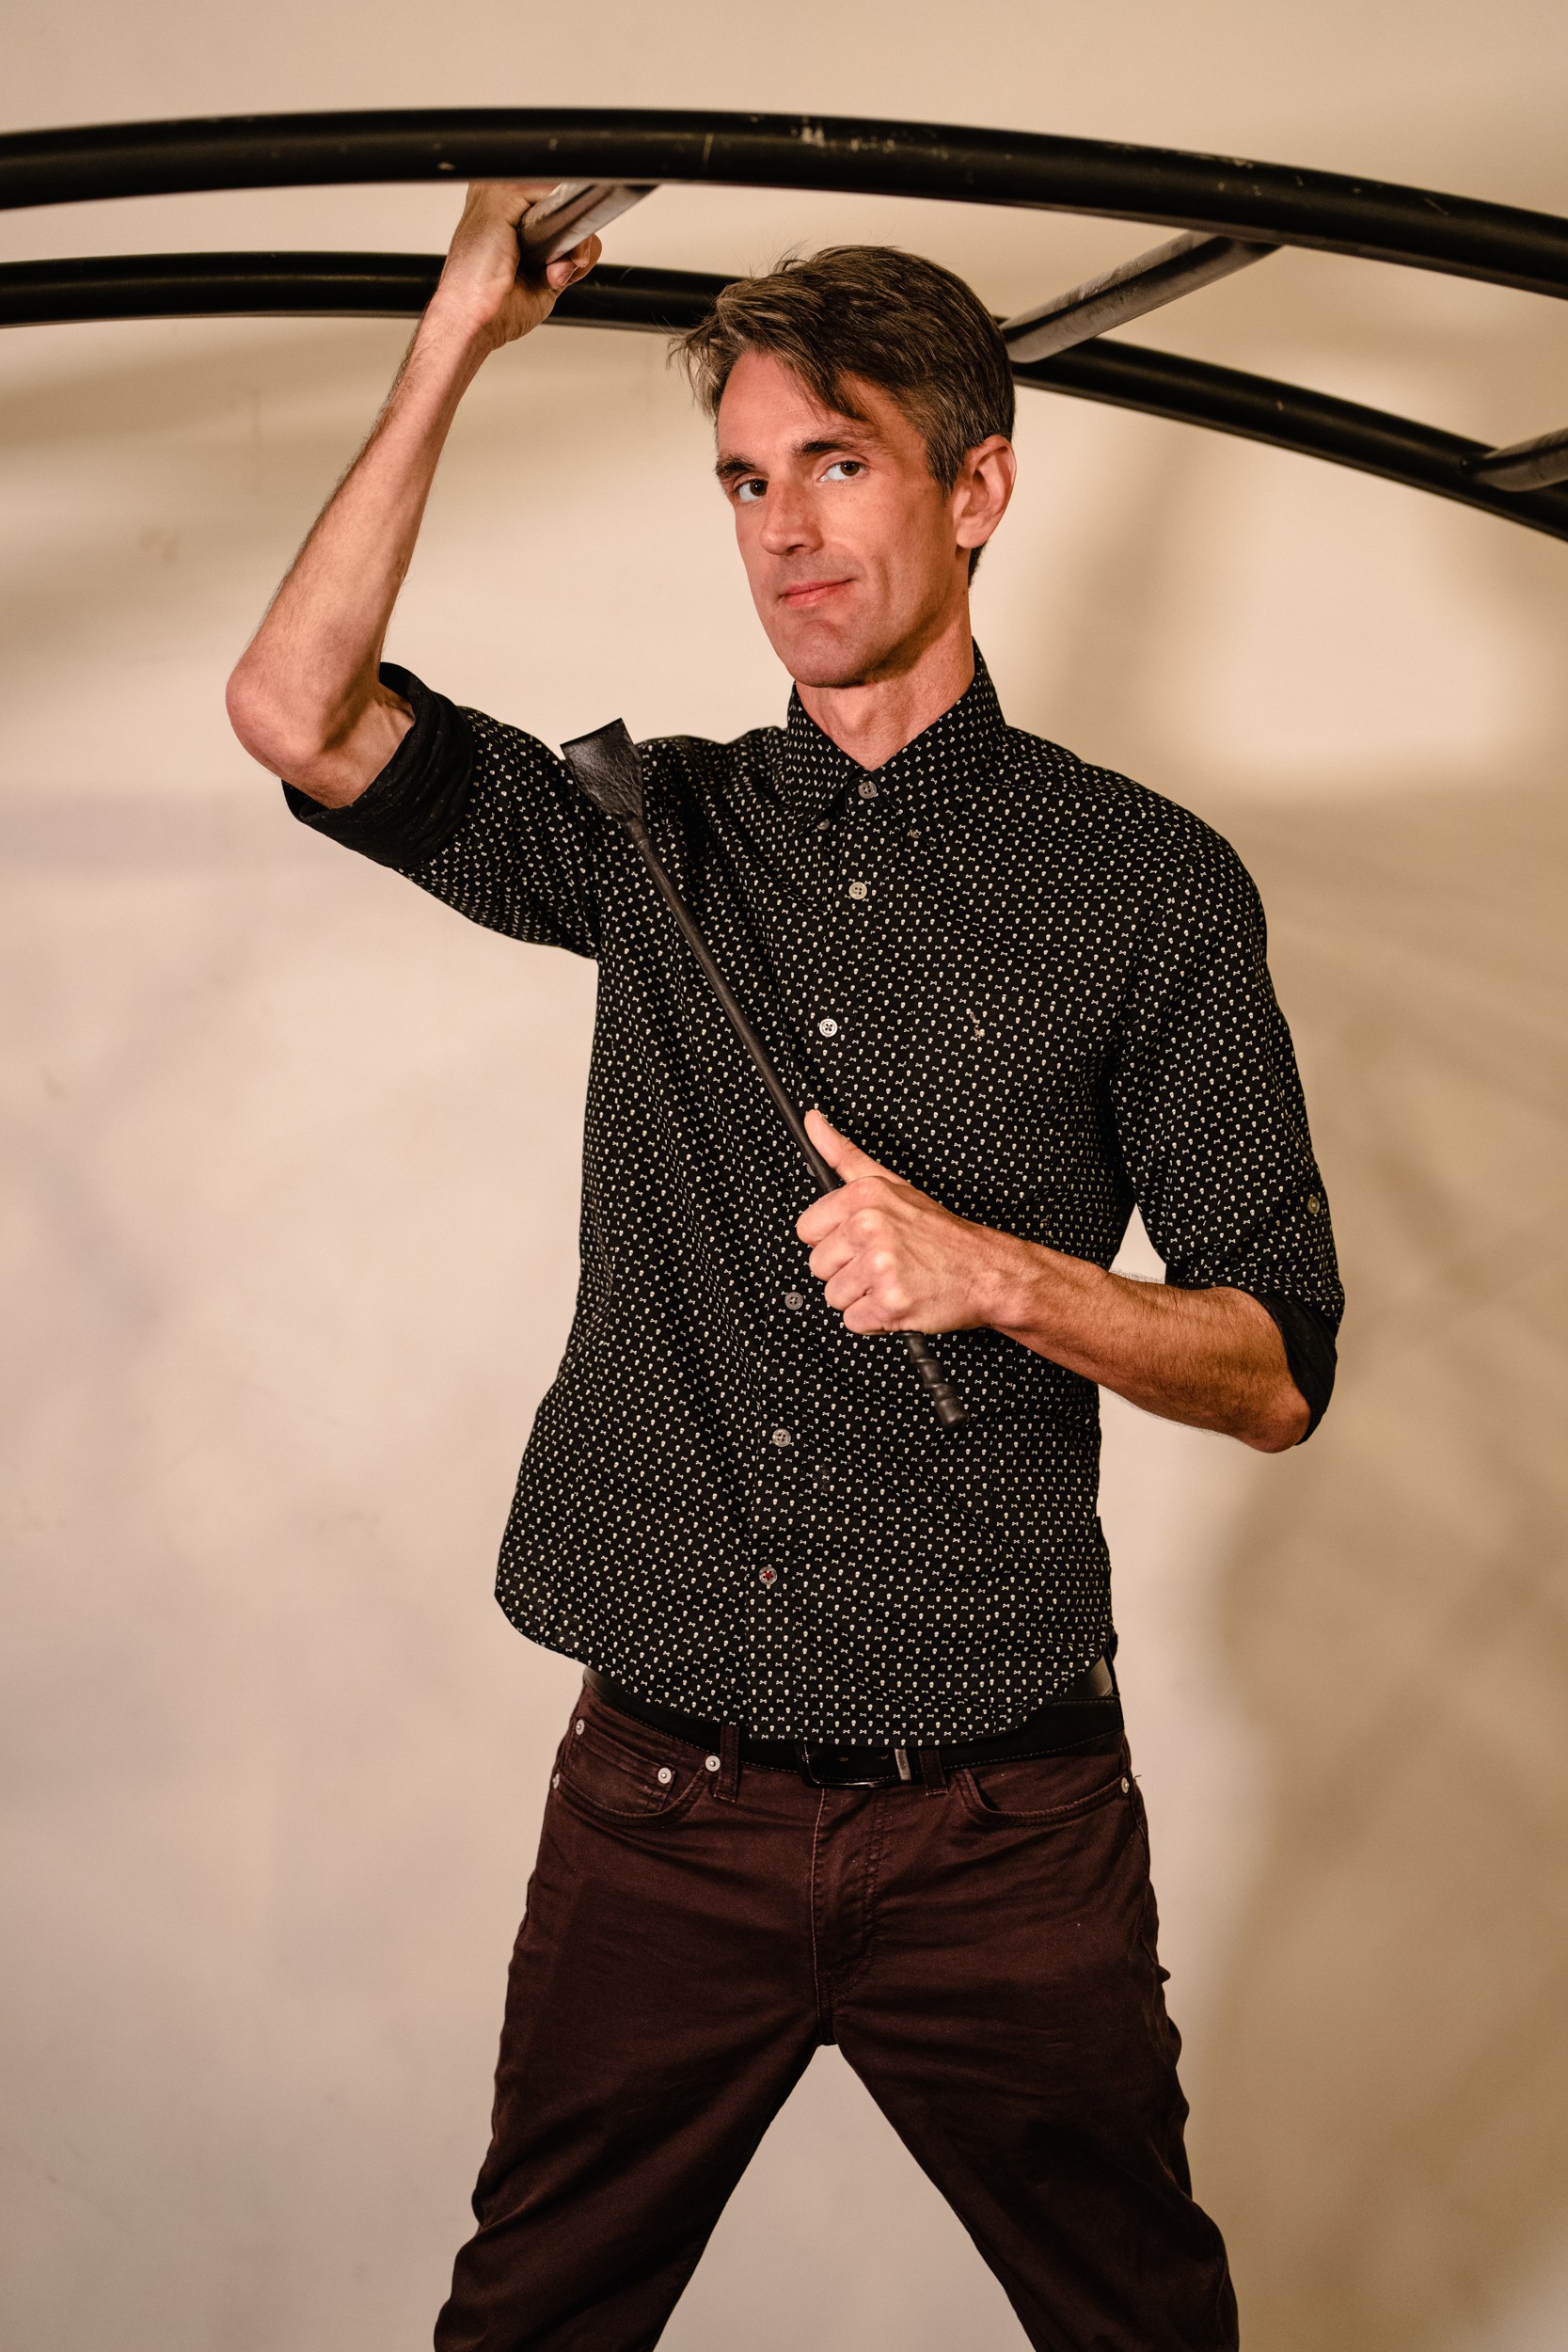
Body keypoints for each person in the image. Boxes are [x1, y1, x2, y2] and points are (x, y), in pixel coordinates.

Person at [227, 181, 1342, 2352]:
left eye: (836, 462)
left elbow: (1279, 1360)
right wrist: (455, 340)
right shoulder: (653, 835)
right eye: (746, 481)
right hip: (661, 1805)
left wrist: (1004, 1275)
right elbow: (293, 704)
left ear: (977, 486)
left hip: (1001, 1821)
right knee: (528, 2321)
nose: (785, 531)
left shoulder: (1146, 886)